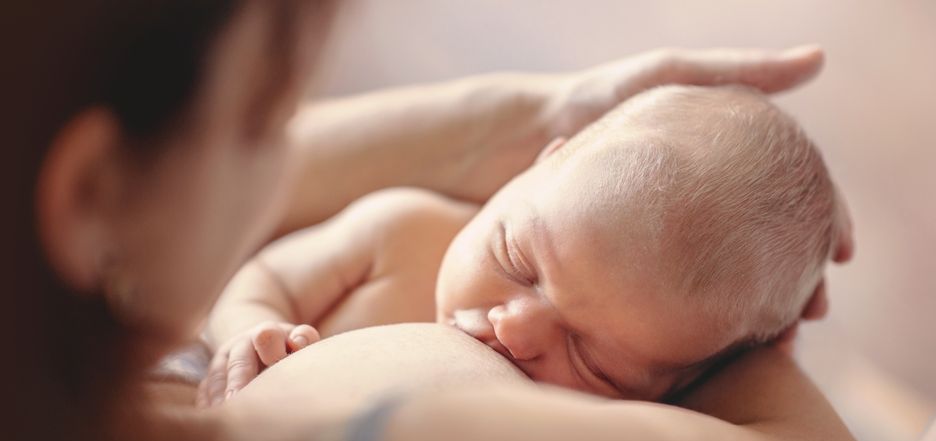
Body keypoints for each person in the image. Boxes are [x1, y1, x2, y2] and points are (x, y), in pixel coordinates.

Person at [1, 0, 895, 441]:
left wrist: (732, 240)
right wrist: (744, 344)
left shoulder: (82, 377)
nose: (514, 323)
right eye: (273, 121)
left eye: (598, 359)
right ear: (95, 194)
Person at [202, 84, 845, 404]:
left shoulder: (616, 425)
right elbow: (265, 277)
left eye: (595, 362)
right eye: (517, 261)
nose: (514, 328)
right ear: (537, 165)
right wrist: (250, 331)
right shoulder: (401, 232)